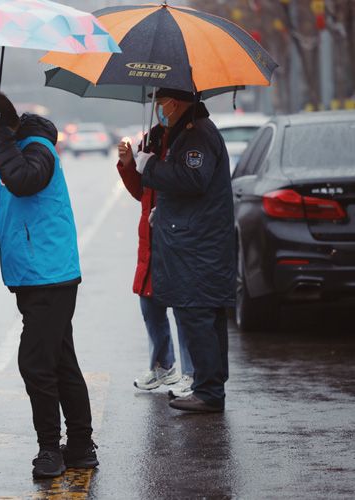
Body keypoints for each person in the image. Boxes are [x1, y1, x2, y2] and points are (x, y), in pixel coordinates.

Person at [0, 91, 96, 478]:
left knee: (36, 363)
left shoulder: (37, 148)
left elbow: (24, 182)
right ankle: (79, 445)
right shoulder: (16, 150)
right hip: (36, 275)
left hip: (50, 276)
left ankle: (50, 450)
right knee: (60, 360)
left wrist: (2, 138)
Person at [130, 88, 235, 413]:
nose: (158, 109)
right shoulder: (186, 133)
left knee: (197, 315)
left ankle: (208, 391)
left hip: (197, 248)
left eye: (160, 103)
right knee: (204, 316)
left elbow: (193, 179)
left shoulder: (196, 134)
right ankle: (211, 386)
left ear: (174, 103)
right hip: (197, 243)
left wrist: (150, 167)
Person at [117, 123, 194, 398]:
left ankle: (190, 373)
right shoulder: (152, 138)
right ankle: (164, 366)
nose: (160, 107)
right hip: (150, 236)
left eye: (163, 101)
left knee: (184, 307)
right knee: (150, 302)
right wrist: (128, 164)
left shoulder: (187, 137)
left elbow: (188, 184)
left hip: (175, 234)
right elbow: (142, 192)